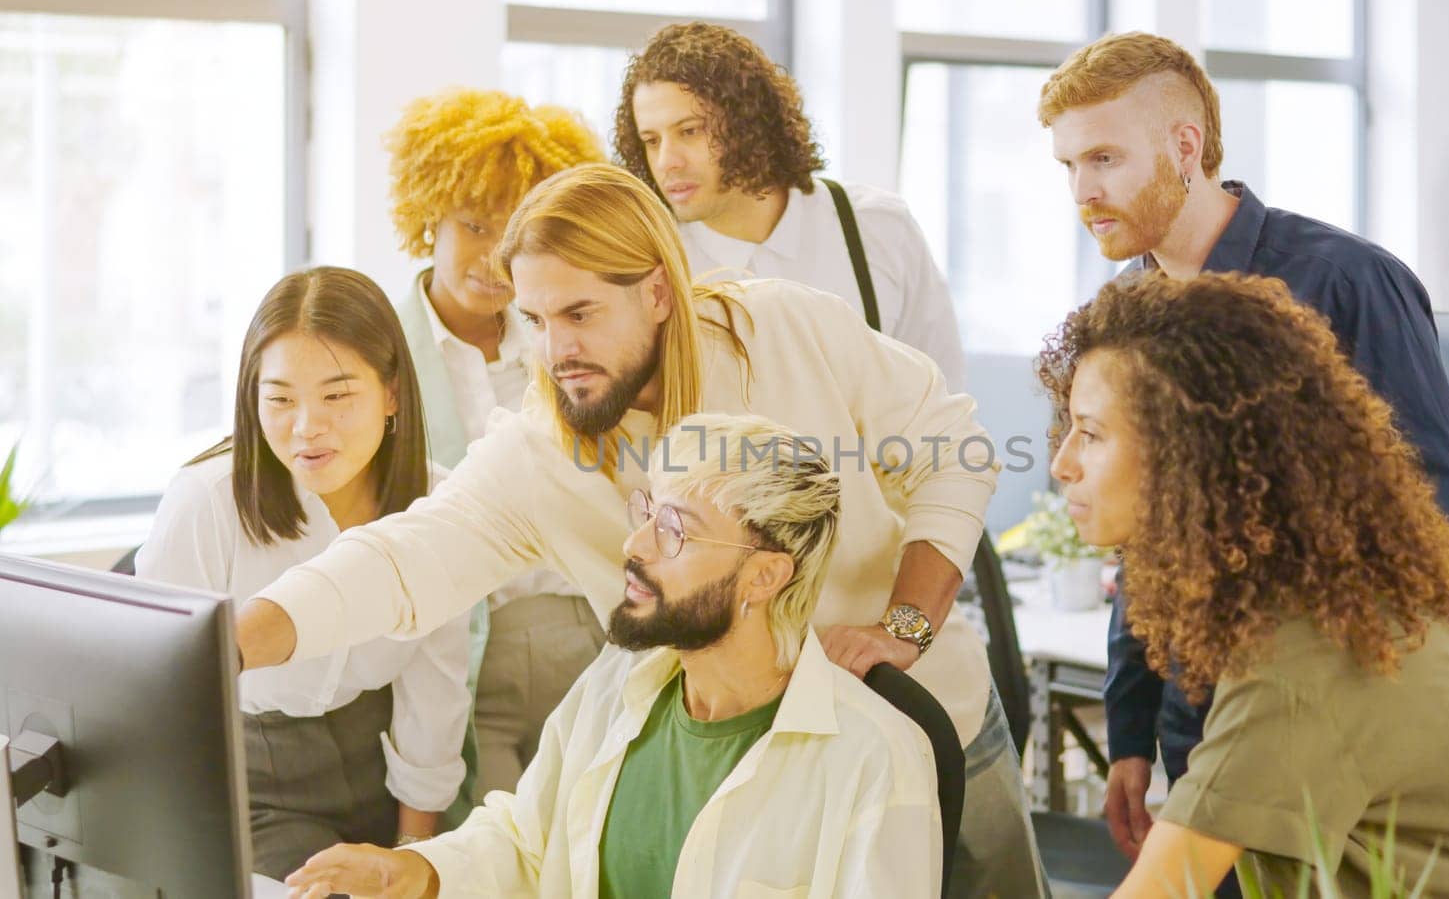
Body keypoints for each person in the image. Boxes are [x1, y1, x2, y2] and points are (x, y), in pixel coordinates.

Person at [235, 163, 1046, 898]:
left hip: (921, 725)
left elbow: (954, 450)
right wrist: (233, 642)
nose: (557, 351)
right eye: (537, 320)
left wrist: (904, 626)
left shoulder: (783, 331)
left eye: (581, 312)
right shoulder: (541, 448)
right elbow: (402, 558)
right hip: (709, 751)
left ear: (658, 291)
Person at [1036, 31, 1449, 867]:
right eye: (1068, 166)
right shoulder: (1130, 306)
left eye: (1103, 157)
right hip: (1196, 730)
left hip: (1334, 729)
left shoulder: (1346, 282)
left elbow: (1441, 522)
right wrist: (1129, 729)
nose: (1083, 190)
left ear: (1186, 145)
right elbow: (1148, 538)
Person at [1039, 271, 1449, 897]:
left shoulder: (1297, 665)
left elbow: (1163, 889)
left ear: (1190, 451)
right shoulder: (1363, 590)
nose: (1061, 464)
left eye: (1089, 434)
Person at [284, 413, 941, 899]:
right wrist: (415, 870)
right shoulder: (619, 682)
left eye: (676, 530)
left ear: (765, 578)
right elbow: (530, 839)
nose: (635, 543)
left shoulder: (874, 758)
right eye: (647, 512)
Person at [135, 267, 472, 878]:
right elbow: (156, 701)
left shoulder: (439, 504)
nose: (306, 426)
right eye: (281, 398)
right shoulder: (205, 501)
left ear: (392, 392)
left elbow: (433, 693)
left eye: (338, 396)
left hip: (379, 762)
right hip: (247, 775)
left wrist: (409, 858)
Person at [383, 87, 609, 813]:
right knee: (494, 861)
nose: (492, 259)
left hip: (596, 635)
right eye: (474, 225)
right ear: (430, 213)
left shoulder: (567, 335)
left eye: (514, 233)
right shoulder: (380, 348)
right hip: (467, 657)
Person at [616, 22, 966, 391]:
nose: (666, 161)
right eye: (651, 141)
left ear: (747, 122)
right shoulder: (647, 262)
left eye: (689, 131)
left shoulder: (877, 228)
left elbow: (943, 393)